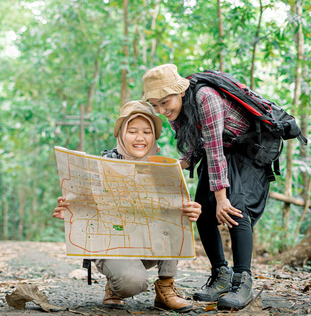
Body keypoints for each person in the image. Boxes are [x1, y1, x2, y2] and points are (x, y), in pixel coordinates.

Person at [141, 64, 269, 310]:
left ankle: (242, 280)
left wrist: (221, 198)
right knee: (202, 212)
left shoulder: (205, 98)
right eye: (155, 105)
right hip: (221, 150)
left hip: (247, 150)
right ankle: (221, 275)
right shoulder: (176, 111)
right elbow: (201, 143)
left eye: (165, 103)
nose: (161, 110)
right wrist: (185, 161)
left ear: (179, 91)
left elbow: (215, 147)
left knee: (234, 208)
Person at [53, 100, 201, 313]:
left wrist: (190, 210)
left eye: (147, 132)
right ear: (121, 134)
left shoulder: (163, 169)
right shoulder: (101, 167)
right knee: (132, 283)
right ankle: (115, 284)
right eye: (132, 131)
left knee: (174, 213)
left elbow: (177, 208)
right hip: (112, 246)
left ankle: (166, 288)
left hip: (149, 244)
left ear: (154, 136)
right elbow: (86, 211)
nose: (140, 138)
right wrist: (70, 211)